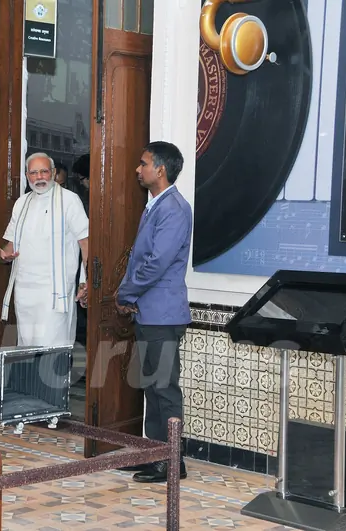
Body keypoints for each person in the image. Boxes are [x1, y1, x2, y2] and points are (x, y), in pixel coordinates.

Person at [115, 141, 192, 483]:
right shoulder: (155, 206)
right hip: (150, 312)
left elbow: (155, 263)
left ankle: (171, 462)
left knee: (164, 389)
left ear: (160, 169)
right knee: (151, 387)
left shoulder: (174, 208)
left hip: (163, 314)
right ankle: (155, 454)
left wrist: (125, 292)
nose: (138, 169)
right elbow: (141, 259)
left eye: (143, 163)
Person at [0, 152, 89, 347]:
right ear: (27, 175)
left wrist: (86, 280)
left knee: (52, 350)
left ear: (53, 173)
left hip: (55, 293)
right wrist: (5, 255)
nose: (39, 177)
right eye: (33, 172)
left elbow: (86, 242)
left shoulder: (69, 200)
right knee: (27, 349)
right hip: (25, 291)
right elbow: (12, 243)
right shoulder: (21, 203)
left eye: (44, 171)